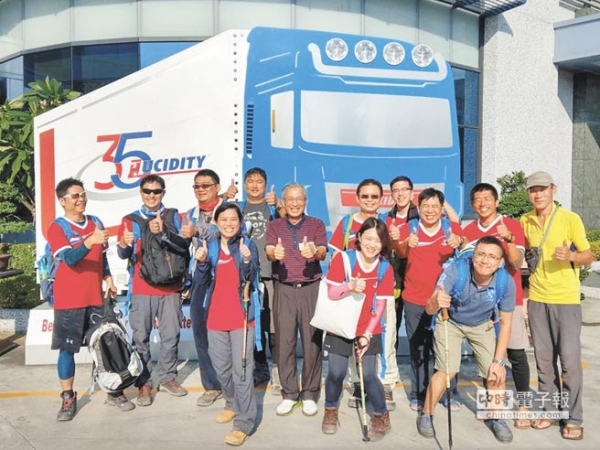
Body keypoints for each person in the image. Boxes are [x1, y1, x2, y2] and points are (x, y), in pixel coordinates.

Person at [416, 236, 515, 443]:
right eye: (480, 254)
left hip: (481, 324)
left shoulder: (505, 282)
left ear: (500, 262)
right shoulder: (456, 270)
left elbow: (506, 324)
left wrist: (499, 362)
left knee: (495, 372)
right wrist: (437, 301)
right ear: (473, 255)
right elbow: (430, 308)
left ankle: (497, 418)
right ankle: (426, 414)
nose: (485, 260)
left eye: (492, 257)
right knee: (447, 371)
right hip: (450, 322)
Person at [49, 177, 128, 421]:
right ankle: (68, 398)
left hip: (96, 297)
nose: (81, 199)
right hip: (69, 301)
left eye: (83, 194)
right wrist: (89, 241)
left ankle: (113, 390)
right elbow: (69, 259)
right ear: (62, 201)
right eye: (75, 196)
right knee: (67, 350)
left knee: (106, 345)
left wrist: (108, 279)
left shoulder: (95, 222)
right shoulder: (57, 227)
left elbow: (101, 258)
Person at [520, 171, 592, 440]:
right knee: (544, 362)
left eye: (542, 189)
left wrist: (571, 255)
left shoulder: (570, 218)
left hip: (566, 299)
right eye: (533, 190)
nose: (537, 194)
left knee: (570, 362)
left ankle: (573, 417)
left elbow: (588, 255)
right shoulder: (525, 220)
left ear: (553, 189)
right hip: (538, 299)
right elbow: (524, 257)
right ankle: (550, 411)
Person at [117, 174, 190, 406]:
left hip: (171, 288)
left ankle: (168, 377)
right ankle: (144, 383)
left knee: (171, 335)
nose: (151, 195)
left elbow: (185, 247)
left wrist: (164, 232)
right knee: (140, 337)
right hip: (142, 288)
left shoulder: (175, 216)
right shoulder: (129, 220)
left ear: (163, 193)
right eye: (147, 191)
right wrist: (123, 244)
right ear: (141, 193)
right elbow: (124, 255)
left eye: (156, 191)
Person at [463, 182, 532, 427]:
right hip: (481, 303)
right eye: (477, 199)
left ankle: (524, 405)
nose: (482, 203)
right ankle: (492, 404)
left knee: (516, 355)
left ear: (497, 201)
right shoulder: (469, 231)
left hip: (508, 301)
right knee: (487, 356)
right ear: (472, 204)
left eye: (487, 198)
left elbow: (516, 263)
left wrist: (509, 240)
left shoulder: (511, 225)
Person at [328, 178, 400, 410]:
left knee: (384, 338)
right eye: (365, 196)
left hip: (380, 293)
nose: (370, 200)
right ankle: (358, 383)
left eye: (374, 196)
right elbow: (335, 256)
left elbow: (399, 252)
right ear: (358, 198)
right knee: (351, 338)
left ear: (381, 198)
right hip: (352, 294)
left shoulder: (388, 222)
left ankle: (385, 383)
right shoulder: (347, 223)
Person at [193, 202, 260, 446]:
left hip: (242, 318)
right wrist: (201, 263)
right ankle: (231, 402)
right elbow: (200, 282)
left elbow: (251, 277)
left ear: (240, 223)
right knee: (221, 368)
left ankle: (243, 422)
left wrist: (247, 260)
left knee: (242, 371)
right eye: (224, 219)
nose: (229, 223)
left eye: (233, 219)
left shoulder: (247, 245)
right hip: (215, 318)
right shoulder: (209, 247)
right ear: (216, 222)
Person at [322, 218, 395, 441]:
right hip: (341, 324)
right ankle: (331, 410)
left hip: (368, 328)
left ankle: (381, 416)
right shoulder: (344, 259)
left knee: (369, 375)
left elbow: (380, 305)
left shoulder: (385, 266)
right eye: (368, 238)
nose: (372, 244)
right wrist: (350, 286)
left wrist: (367, 334)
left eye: (378, 241)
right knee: (336, 373)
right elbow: (331, 293)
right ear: (359, 237)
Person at [395, 188, 464, 412]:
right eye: (426, 206)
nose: (430, 210)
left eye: (435, 206)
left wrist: (459, 241)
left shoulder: (450, 228)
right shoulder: (409, 228)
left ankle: (449, 392)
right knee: (418, 348)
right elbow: (400, 252)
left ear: (442, 208)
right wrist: (407, 243)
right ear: (419, 207)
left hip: (445, 301)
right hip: (415, 299)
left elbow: (467, 248)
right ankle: (418, 393)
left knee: (446, 349)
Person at [266, 182, 328, 417]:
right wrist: (275, 253)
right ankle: (290, 393)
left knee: (312, 342)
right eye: (289, 199)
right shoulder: (274, 226)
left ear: (305, 201)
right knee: (284, 342)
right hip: (284, 288)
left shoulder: (316, 224)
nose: (294, 203)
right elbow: (269, 250)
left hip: (311, 288)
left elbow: (322, 251)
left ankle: (310, 393)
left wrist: (314, 251)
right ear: (283, 202)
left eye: (299, 199)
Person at [184, 168, 235, 407]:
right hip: (200, 280)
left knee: (229, 334)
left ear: (217, 187)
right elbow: (183, 248)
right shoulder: (189, 215)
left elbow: (221, 232)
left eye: (206, 185)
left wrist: (198, 231)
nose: (201, 189)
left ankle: (233, 386)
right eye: (197, 186)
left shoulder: (229, 209)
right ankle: (212, 385)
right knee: (201, 334)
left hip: (225, 278)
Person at [238, 167, 283, 392]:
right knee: (251, 326)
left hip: (271, 275)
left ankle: (278, 369)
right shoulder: (238, 208)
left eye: (259, 181)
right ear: (244, 184)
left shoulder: (274, 208)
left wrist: (279, 205)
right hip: (246, 279)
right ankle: (260, 367)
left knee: (274, 326)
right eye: (250, 181)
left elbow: (291, 223)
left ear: (265, 185)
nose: (254, 185)